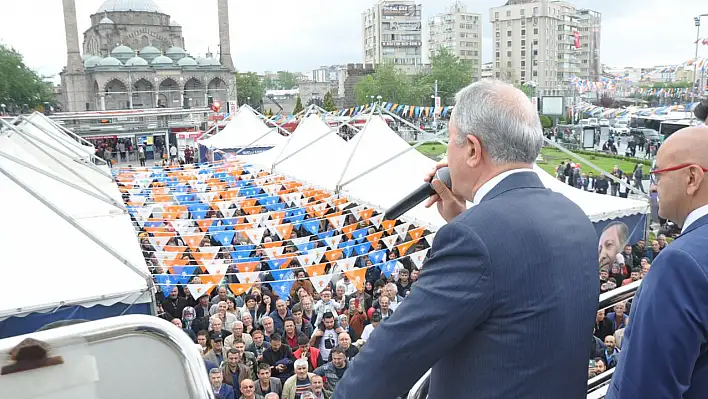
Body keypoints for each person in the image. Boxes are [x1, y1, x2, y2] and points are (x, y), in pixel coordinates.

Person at [334, 80, 599, 398]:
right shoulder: (574, 216)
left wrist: (468, 227)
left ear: (473, 150)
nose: (447, 153)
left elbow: (387, 361)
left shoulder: (473, 239)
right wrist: (466, 218)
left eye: (450, 140)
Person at [606, 126, 708, 398]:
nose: (652, 186)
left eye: (658, 174)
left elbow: (644, 389)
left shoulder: (680, 264)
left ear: (692, 178)